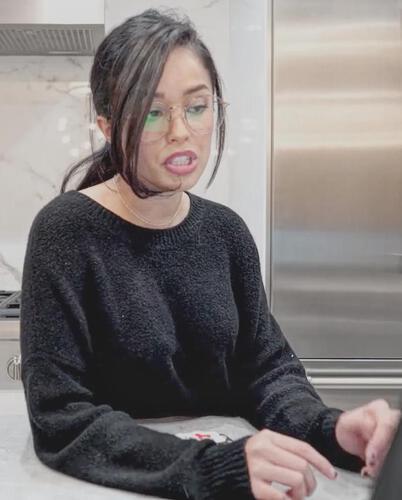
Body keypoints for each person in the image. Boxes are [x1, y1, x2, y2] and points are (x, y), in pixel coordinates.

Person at [20, 8, 400, 500]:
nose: (180, 131)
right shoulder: (66, 232)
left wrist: (331, 430)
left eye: (197, 107)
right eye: (153, 112)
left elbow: (267, 372)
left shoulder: (225, 233)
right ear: (107, 126)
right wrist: (209, 467)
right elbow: (61, 417)